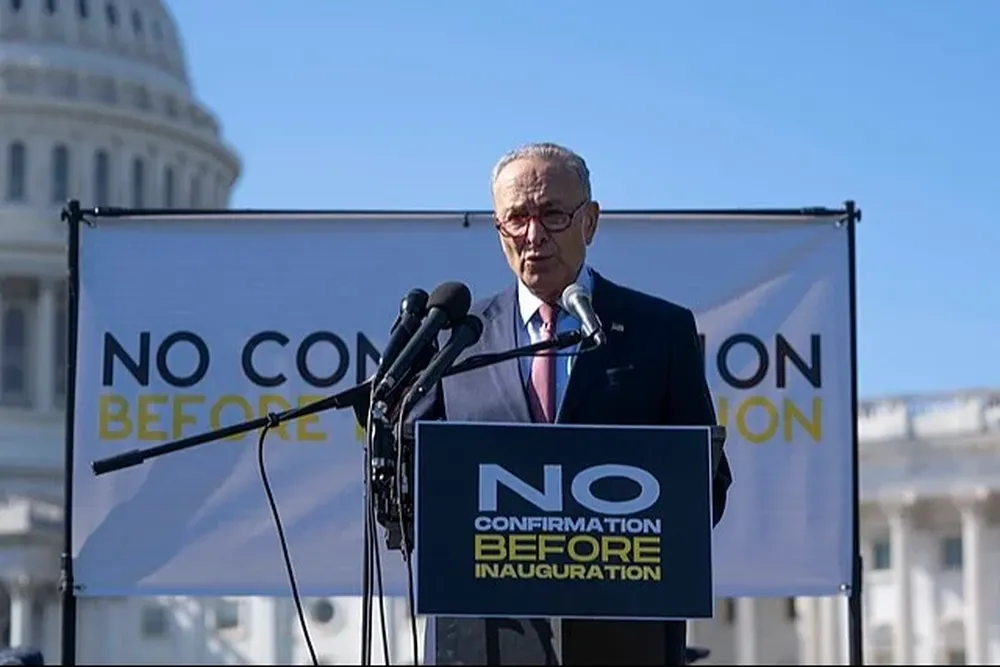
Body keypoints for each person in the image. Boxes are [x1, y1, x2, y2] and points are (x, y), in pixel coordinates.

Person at [418, 142, 733, 666]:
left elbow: (706, 492)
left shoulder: (660, 332)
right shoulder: (454, 340)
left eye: (553, 214)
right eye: (516, 218)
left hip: (622, 637)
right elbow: (415, 496)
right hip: (481, 640)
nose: (533, 234)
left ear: (590, 222)